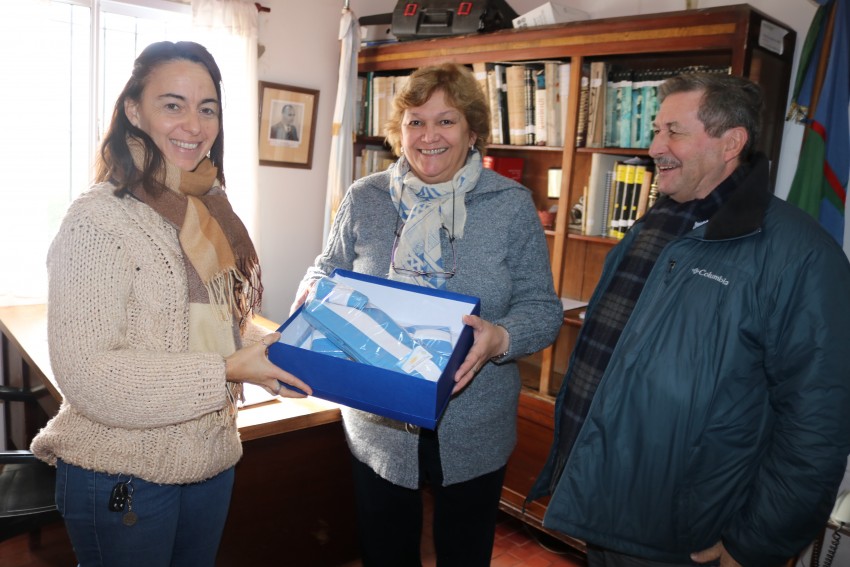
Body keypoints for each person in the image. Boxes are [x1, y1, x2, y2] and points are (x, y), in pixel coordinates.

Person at [529, 72, 850, 567]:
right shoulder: (655, 222)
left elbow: (817, 421)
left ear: (731, 143)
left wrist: (755, 542)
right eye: (656, 130)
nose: (654, 147)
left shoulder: (802, 256)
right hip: (602, 502)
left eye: (673, 132)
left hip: (684, 535)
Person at [30, 41, 312, 567]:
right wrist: (228, 370)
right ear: (134, 111)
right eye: (173, 104)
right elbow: (88, 376)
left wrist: (272, 350)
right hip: (123, 473)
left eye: (207, 108)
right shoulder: (98, 220)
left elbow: (220, 322)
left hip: (211, 459)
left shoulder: (209, 205)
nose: (194, 125)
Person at [292, 62, 562, 566]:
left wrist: (501, 338)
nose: (429, 135)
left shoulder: (510, 205)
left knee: (465, 552)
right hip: (379, 419)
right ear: (400, 131)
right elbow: (327, 268)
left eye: (446, 120)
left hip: (475, 420)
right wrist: (313, 288)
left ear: (473, 132)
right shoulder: (365, 197)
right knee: (385, 550)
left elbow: (542, 308)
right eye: (416, 121)